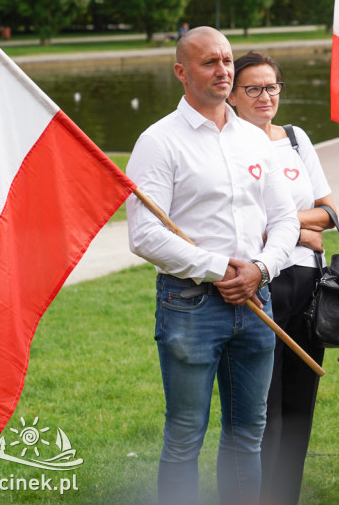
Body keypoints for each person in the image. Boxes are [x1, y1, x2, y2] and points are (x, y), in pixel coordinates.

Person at [126, 27, 300, 505]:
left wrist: (260, 269)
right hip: (190, 304)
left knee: (248, 429)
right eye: (210, 62)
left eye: (227, 60)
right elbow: (144, 235)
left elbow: (285, 218)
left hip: (257, 298)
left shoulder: (253, 139)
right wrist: (219, 268)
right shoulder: (158, 141)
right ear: (182, 72)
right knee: (185, 433)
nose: (224, 70)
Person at [225, 51, 334, 505]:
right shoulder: (226, 145)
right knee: (260, 406)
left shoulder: (294, 138)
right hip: (259, 285)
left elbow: (328, 213)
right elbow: (236, 221)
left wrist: (290, 223)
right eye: (253, 88)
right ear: (232, 95)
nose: (265, 96)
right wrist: (297, 229)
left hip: (307, 289)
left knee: (298, 402)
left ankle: (284, 495)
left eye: (272, 87)